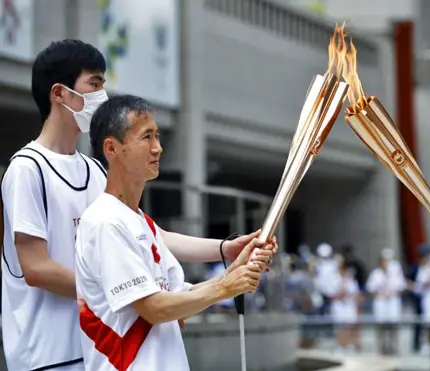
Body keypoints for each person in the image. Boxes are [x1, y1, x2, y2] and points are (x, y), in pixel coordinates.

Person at [0, 40, 275, 371]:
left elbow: (147, 235)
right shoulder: (28, 169)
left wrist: (223, 249)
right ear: (60, 93)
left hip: (93, 345)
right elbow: (35, 268)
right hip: (43, 353)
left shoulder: (93, 169)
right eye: (95, 83)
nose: (103, 94)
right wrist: (126, 293)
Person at [75, 94, 274, 370]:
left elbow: (178, 298)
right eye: (146, 137)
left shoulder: (139, 221)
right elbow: (154, 308)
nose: (157, 148)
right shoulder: (105, 222)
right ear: (112, 148)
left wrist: (236, 271)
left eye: (157, 136)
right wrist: (226, 286)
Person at [366, 248, 406, 355]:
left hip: (393, 302)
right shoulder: (376, 273)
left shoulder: (396, 272)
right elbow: (371, 290)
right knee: (381, 327)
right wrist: (382, 294)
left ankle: (394, 348)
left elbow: (401, 287)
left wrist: (391, 292)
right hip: (381, 303)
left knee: (394, 327)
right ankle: (380, 349)